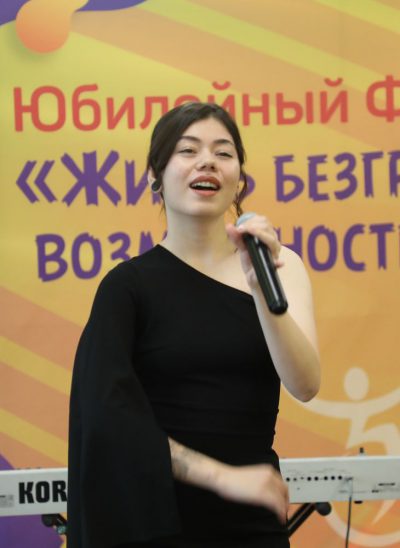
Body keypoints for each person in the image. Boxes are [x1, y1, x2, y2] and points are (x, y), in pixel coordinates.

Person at [67, 102, 321, 548]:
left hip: (252, 521)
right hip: (156, 519)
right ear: (156, 175)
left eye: (223, 153)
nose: (208, 161)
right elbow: (110, 417)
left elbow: (304, 384)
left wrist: (260, 288)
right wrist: (221, 477)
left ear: (239, 178)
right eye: (188, 150)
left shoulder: (278, 265)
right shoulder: (127, 288)